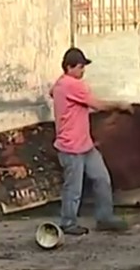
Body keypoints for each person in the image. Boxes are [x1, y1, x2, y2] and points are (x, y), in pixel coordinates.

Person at [50, 46, 133, 235]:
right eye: (80, 67)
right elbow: (97, 105)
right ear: (69, 67)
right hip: (72, 147)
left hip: (84, 145)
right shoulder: (73, 84)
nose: (83, 71)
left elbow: (52, 92)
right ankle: (68, 223)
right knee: (74, 187)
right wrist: (119, 105)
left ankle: (105, 218)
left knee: (102, 178)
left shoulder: (60, 84)